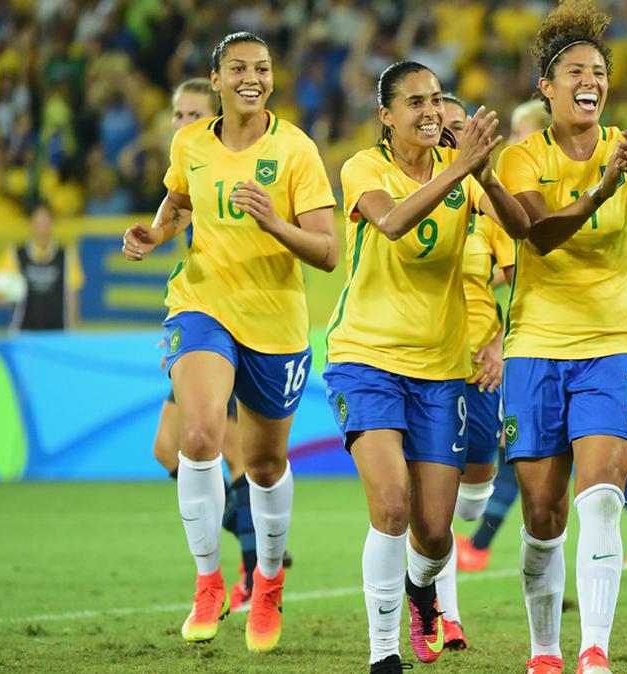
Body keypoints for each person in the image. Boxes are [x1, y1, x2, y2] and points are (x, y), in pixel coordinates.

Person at [121, 32, 339, 653]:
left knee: (266, 466)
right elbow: (179, 196)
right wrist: (157, 235)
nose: (253, 77)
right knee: (197, 437)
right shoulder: (190, 142)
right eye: (239, 68)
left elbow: (327, 252)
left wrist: (274, 221)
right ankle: (209, 581)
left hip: (275, 322)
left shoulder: (295, 150)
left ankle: (267, 583)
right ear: (215, 79)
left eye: (263, 68)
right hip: (201, 306)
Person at [495, 2, 627, 672]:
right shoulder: (521, 157)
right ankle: (544, 649)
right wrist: (604, 189)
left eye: (598, 71)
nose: (590, 79)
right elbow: (538, 234)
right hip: (536, 347)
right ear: (545, 89)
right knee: (542, 515)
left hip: (615, 344)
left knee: (602, 497)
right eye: (575, 70)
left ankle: (594, 654)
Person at [323, 62, 528, 673]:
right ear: (386, 116)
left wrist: (486, 176)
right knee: (390, 505)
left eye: (436, 100)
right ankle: (383, 653)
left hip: (442, 372)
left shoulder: (462, 173)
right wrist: (462, 169)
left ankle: (421, 588)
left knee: (435, 532)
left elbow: (522, 235)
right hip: (366, 359)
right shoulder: (365, 168)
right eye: (414, 102)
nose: (430, 112)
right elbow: (392, 221)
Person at [457, 97, 627, 575]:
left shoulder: (578, 166)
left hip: (591, 337)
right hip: (538, 347)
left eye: (521, 131)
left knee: (593, 475)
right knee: (553, 480)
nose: (515, 142)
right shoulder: (514, 177)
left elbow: (520, 260)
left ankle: (481, 541)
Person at [147, 78, 288, 616]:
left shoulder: (236, 159)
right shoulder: (191, 167)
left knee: (235, 455)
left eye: (193, 113)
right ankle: (253, 549)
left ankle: (257, 566)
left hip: (242, 324)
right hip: (200, 320)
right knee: (173, 447)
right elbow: (176, 214)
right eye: (177, 113)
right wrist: (153, 235)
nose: (183, 123)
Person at [426, 93, 516, 652]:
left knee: (472, 499)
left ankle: (435, 583)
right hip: (423, 361)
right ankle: (445, 614)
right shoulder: (405, 191)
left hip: (479, 367)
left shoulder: (486, 203)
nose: (453, 135)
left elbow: (526, 280)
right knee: (426, 503)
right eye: (445, 127)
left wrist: (501, 343)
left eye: (462, 128)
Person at [0, 201, 84, 332]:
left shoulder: (66, 256)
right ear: (31, 224)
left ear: (52, 223)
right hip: (23, 334)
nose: (42, 229)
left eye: (46, 223)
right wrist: (0, 296)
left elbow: (72, 296)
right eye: (38, 223)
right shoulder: (15, 255)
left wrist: (71, 330)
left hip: (58, 334)